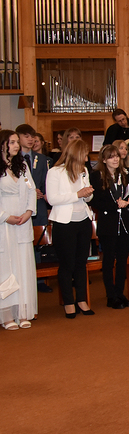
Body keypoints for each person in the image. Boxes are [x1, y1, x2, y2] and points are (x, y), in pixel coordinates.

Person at [46, 139, 96, 318]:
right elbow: (52, 199)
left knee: (81, 263)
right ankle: (68, 302)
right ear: (75, 154)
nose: (86, 158)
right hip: (64, 223)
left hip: (83, 220)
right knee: (67, 264)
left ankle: (81, 299)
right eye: (84, 155)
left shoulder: (84, 171)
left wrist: (87, 194)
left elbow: (87, 198)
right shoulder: (55, 172)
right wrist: (77, 194)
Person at [90, 144, 129, 309]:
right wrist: (115, 204)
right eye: (111, 157)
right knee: (109, 261)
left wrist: (126, 202)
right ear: (104, 160)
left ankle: (120, 293)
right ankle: (111, 296)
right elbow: (95, 201)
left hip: (124, 222)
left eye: (116, 156)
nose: (115, 159)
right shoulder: (97, 176)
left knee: (122, 260)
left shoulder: (125, 173)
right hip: (108, 223)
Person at [0, 129, 37, 330]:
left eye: (16, 142)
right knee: (6, 268)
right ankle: (6, 315)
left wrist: (29, 211)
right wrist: (6, 217)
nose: (16, 146)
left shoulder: (22, 165)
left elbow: (31, 190)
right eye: (12, 142)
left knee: (22, 266)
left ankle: (22, 312)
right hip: (4, 224)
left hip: (23, 222)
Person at [16, 124, 53, 293]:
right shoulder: (13, 159)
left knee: (38, 243)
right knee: (22, 243)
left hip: (39, 206)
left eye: (32, 136)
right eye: (26, 136)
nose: (30, 139)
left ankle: (39, 280)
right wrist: (30, 192)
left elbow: (47, 182)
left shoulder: (42, 159)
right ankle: (22, 279)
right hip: (20, 208)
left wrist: (42, 193)